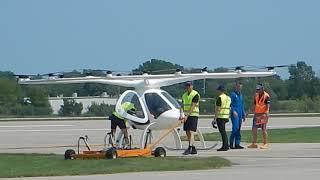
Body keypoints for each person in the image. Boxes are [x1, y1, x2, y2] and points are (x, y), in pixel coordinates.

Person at [247, 83, 270, 149]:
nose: (257, 91)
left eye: (259, 89)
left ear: (262, 89)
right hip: (256, 114)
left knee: (263, 129)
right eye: (257, 90)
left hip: (263, 114)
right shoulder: (256, 95)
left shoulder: (266, 96)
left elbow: (268, 106)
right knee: (254, 129)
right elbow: (254, 105)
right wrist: (248, 112)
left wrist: (267, 113)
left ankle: (265, 143)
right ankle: (254, 143)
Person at [180, 81, 200, 155]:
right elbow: (182, 105)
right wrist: (181, 115)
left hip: (193, 115)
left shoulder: (195, 94)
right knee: (187, 132)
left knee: (191, 131)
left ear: (192, 86)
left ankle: (189, 148)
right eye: (187, 86)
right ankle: (193, 148)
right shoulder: (184, 95)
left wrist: (187, 116)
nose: (188, 87)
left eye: (189, 85)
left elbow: (193, 106)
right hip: (186, 115)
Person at [214, 84, 231, 151]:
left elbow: (218, 108)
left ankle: (225, 146)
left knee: (222, 132)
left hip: (220, 116)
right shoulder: (228, 98)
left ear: (220, 91)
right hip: (226, 116)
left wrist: (215, 118)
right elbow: (230, 107)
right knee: (223, 131)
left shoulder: (220, 98)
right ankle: (226, 144)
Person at [229, 80, 246, 149]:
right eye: (238, 87)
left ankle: (237, 144)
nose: (239, 88)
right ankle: (231, 143)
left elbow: (242, 105)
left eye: (240, 87)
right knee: (235, 129)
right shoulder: (233, 94)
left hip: (240, 114)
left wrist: (243, 114)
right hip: (235, 114)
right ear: (236, 86)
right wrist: (233, 111)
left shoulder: (241, 95)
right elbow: (230, 104)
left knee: (238, 129)